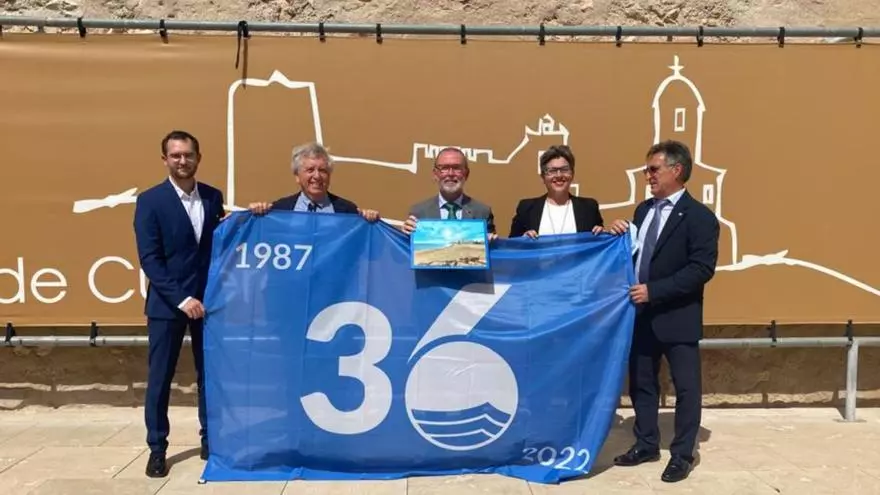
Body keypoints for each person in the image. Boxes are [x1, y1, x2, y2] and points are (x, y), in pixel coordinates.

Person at [604, 140, 720, 483]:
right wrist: (617, 232)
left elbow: (701, 269)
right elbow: (638, 252)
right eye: (646, 170)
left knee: (686, 389)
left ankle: (683, 453)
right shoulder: (643, 210)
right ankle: (646, 443)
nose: (647, 175)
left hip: (677, 317)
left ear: (676, 170)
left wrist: (655, 291)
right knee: (642, 384)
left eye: (653, 169)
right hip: (640, 317)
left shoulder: (700, 217)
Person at [133, 130, 226, 477]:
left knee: (210, 377)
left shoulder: (214, 198)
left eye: (188, 155)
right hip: (167, 306)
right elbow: (150, 258)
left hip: (209, 305)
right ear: (165, 160)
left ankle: (210, 438)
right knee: (160, 379)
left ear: (198, 158)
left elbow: (221, 245)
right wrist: (182, 298)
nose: (182, 161)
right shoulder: (150, 201)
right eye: (175, 156)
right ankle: (157, 448)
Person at [248, 142, 379, 221]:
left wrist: (370, 223)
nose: (317, 176)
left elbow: (368, 252)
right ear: (297, 176)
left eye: (322, 170)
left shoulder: (348, 211)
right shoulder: (279, 209)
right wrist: (252, 216)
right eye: (310, 170)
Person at [508, 145, 604, 238]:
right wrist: (522, 240)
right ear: (543, 177)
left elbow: (601, 246)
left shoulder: (589, 208)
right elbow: (512, 247)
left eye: (564, 169)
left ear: (572, 174)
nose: (559, 175)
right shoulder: (526, 208)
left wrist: (608, 234)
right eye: (552, 171)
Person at [402, 147, 496, 239]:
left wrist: (492, 242)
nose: (450, 173)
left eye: (457, 168)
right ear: (435, 174)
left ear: (466, 174)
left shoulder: (482, 212)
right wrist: (405, 237)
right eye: (444, 168)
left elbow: (491, 252)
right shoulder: (419, 213)